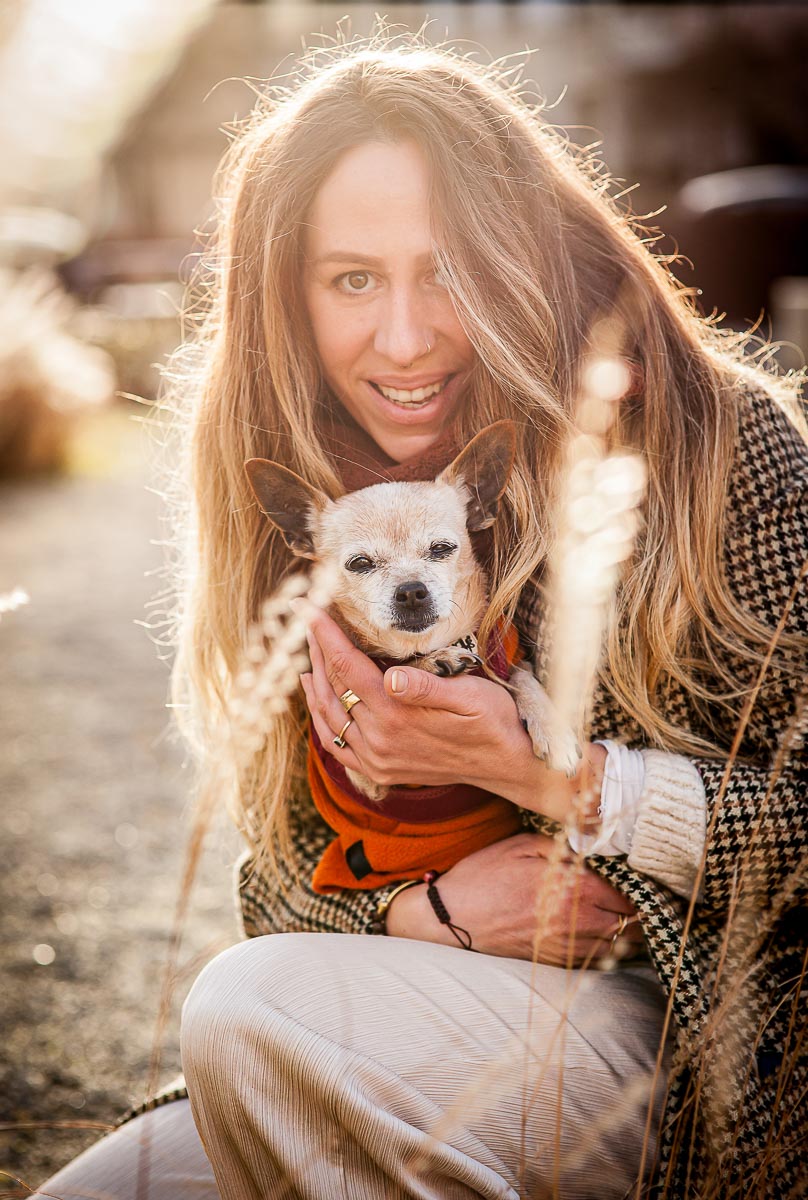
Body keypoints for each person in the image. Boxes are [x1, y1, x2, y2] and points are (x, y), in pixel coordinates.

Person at [35, 34, 806, 1200]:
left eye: (446, 269)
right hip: (430, 993)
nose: (403, 340)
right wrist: (423, 910)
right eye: (352, 278)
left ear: (518, 255)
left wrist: (565, 781)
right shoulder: (311, 495)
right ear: (285, 295)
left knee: (247, 1009)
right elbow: (282, 881)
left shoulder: (717, 441)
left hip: (708, 1037)